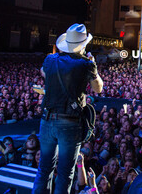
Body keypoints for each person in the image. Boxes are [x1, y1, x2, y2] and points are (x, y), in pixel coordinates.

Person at [33, 24, 104, 194]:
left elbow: (44, 73)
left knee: (44, 169)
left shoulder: (50, 60)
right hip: (69, 123)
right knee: (65, 172)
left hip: (47, 120)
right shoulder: (85, 64)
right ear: (83, 44)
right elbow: (98, 88)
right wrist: (93, 66)